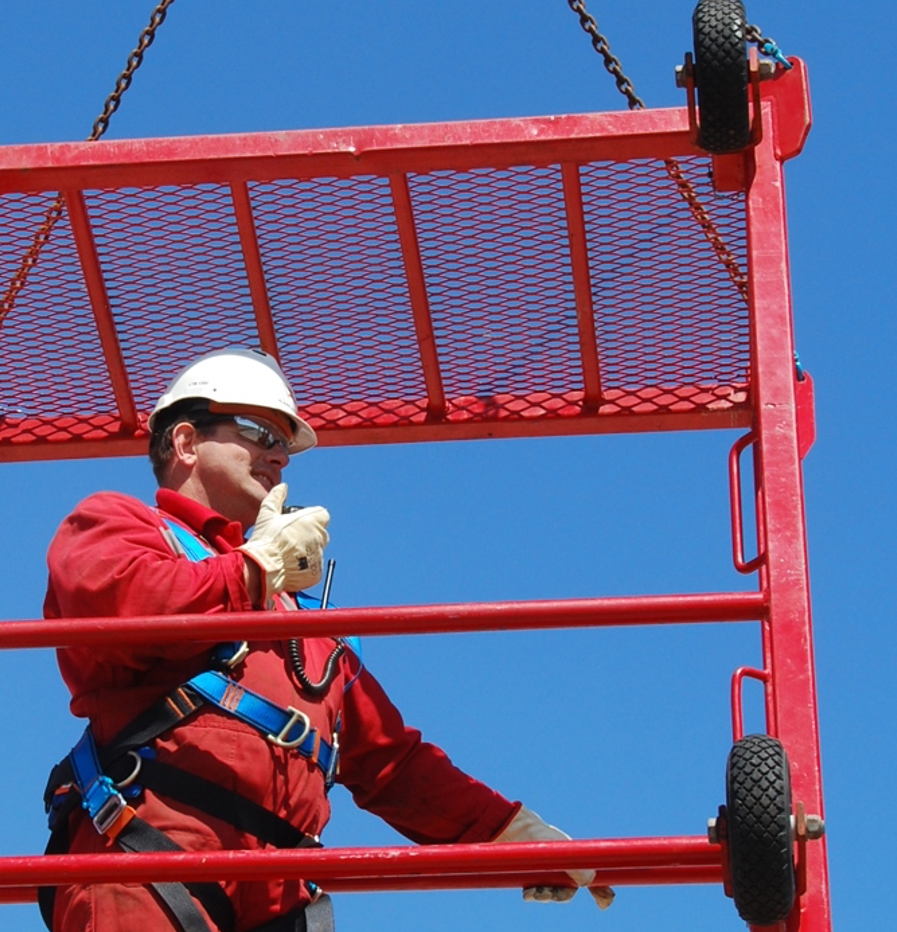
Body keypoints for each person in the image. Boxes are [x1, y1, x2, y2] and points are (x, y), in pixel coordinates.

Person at [38, 349, 611, 932]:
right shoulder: (122, 524)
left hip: (282, 899)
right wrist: (254, 571)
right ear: (186, 442)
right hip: (149, 860)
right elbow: (122, 601)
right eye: (260, 432)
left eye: (284, 443)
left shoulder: (306, 626)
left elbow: (393, 762)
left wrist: (506, 830)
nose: (279, 456)